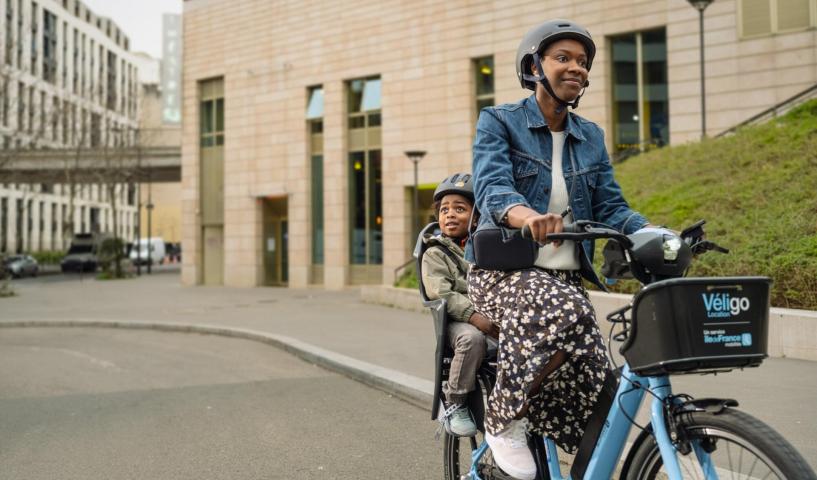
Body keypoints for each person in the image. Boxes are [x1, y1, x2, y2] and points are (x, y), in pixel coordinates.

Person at [465, 20, 651, 480]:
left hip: (562, 281)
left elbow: (612, 206)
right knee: (567, 311)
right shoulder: (499, 121)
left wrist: (654, 233)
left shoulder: (591, 137)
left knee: (600, 390)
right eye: (563, 58)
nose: (576, 68)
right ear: (534, 67)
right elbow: (491, 187)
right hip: (503, 273)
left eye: (583, 62)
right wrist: (526, 217)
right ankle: (502, 419)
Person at [421, 173, 499, 437]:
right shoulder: (435, 252)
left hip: (491, 315)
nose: (450, 215)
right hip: (456, 321)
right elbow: (440, 291)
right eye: (444, 210)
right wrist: (474, 315)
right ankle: (455, 402)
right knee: (472, 340)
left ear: (476, 216)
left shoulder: (487, 248)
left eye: (460, 209)